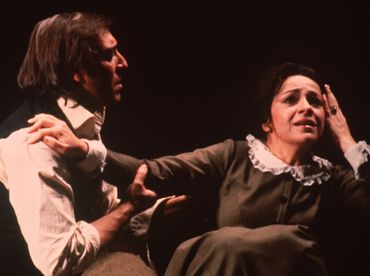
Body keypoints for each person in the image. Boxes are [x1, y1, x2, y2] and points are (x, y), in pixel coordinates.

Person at [28, 63, 369, 275]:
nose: (307, 108)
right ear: (266, 120)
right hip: (226, 270)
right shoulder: (234, 155)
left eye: (315, 102)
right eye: (291, 99)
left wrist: (348, 143)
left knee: (293, 242)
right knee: (228, 244)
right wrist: (85, 150)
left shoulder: (335, 178)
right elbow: (155, 170)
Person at [0, 12, 156, 276]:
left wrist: (162, 205)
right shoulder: (34, 143)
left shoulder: (79, 118)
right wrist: (129, 209)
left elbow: (98, 204)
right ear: (75, 71)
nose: (123, 63)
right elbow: (60, 261)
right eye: (108, 55)